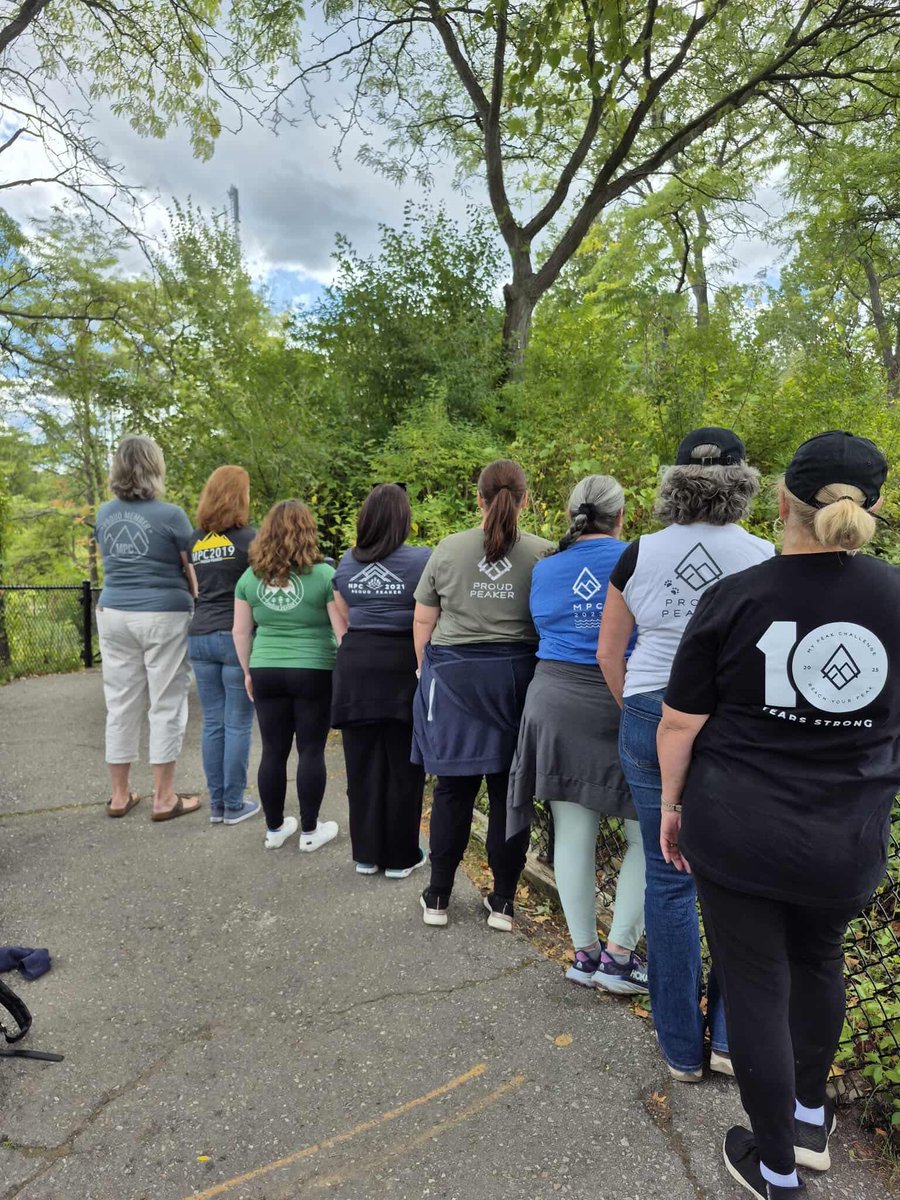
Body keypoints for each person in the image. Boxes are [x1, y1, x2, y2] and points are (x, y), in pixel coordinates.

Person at [657, 431, 899, 1200]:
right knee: (819, 961)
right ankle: (806, 1119)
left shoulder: (735, 597)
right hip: (847, 836)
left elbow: (678, 725)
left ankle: (776, 1170)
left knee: (756, 981)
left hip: (740, 830)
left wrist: (671, 806)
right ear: (879, 506)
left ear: (784, 501)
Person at [597, 427, 773, 1081]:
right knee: (736, 882)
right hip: (733, 726)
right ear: (742, 483)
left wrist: (639, 715)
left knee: (670, 883)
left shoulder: (637, 552)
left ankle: (679, 1049)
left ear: (674, 484)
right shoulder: (763, 554)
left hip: (651, 712)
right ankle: (728, 1041)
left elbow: (609, 653)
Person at [508, 476, 647, 993]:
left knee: (572, 830)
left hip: (555, 700)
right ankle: (619, 957)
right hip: (622, 697)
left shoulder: (545, 569)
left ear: (571, 516)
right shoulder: (637, 558)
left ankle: (584, 953)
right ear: (622, 515)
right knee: (647, 834)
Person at [412, 459, 554, 931]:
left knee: (452, 789)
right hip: (517, 680)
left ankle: (438, 897)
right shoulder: (544, 553)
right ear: (525, 499)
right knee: (509, 793)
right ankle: (503, 903)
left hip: (454, 679)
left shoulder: (448, 549)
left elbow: (423, 620)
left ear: (478, 498)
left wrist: (424, 669)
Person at [95, 434, 201, 821]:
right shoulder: (172, 515)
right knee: (166, 702)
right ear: (155, 467)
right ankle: (164, 798)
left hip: (114, 612)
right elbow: (189, 568)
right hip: (164, 613)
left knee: (120, 702)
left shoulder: (105, 514)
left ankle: (120, 796)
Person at [233, 500, 347, 851]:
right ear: (307, 531)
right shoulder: (325, 575)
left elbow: (240, 631)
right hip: (313, 669)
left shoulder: (250, 577)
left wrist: (248, 671)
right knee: (311, 749)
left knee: (273, 750)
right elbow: (342, 631)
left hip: (266, 666)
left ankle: (274, 829)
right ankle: (311, 832)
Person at [331, 485, 431, 877]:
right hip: (401, 666)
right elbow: (430, 613)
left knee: (361, 766)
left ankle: (366, 854)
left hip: (356, 666)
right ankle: (401, 857)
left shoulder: (346, 563)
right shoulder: (422, 560)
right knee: (404, 766)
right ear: (403, 520)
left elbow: (345, 613)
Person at [188, 465, 259, 826]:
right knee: (237, 723)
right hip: (237, 636)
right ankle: (234, 803)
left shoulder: (194, 540)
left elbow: (192, 586)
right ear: (239, 497)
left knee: (213, 722)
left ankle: (217, 804)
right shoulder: (251, 540)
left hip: (199, 635)